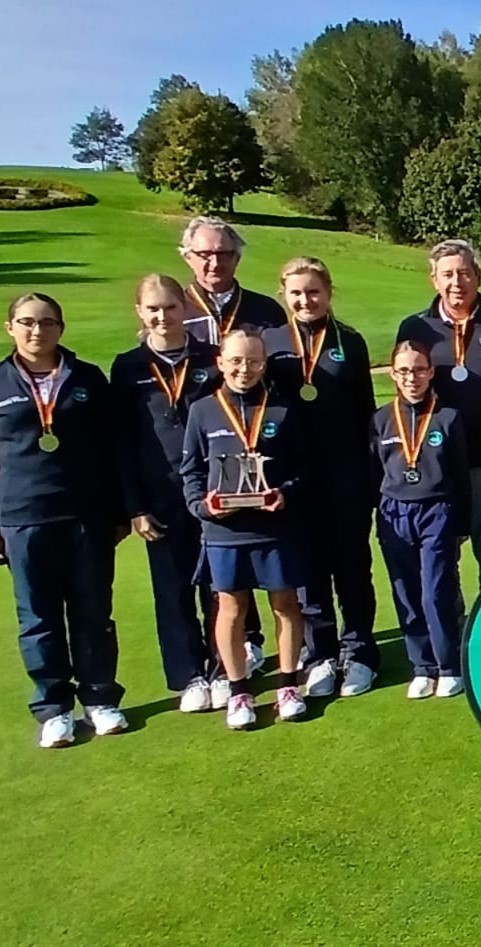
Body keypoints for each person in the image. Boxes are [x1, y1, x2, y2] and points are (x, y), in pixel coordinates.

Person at [0, 293, 127, 748]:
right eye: (28, 322)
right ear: (10, 327)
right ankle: (54, 708)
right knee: (38, 618)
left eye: (48, 322)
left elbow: (113, 451)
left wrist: (119, 510)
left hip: (85, 516)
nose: (38, 331)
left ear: (61, 328)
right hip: (22, 517)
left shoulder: (87, 378)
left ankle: (100, 699)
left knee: (93, 613)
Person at [180, 328, 311, 730]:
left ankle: (288, 686)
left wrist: (284, 494)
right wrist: (203, 506)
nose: (244, 369)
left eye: (253, 361)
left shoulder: (283, 410)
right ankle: (238, 691)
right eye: (235, 360)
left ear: (264, 363)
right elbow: (191, 472)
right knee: (231, 608)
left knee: (285, 604)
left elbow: (304, 470)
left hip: (275, 527)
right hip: (225, 531)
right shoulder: (202, 411)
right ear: (220, 363)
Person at [111, 275, 230, 712]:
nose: (163, 317)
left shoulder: (211, 358)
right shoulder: (127, 367)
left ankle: (224, 668)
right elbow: (122, 443)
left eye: (171, 307)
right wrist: (135, 507)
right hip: (159, 495)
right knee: (172, 588)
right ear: (140, 312)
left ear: (186, 309)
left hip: (214, 491)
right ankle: (189, 675)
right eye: (153, 309)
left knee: (221, 587)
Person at [263, 258, 379, 700]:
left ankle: (360, 652)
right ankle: (321, 655)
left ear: (328, 292)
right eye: (296, 293)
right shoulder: (271, 343)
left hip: (346, 477)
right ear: (283, 294)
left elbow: (366, 414)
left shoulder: (349, 342)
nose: (305, 300)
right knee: (309, 572)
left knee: (353, 568)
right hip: (293, 481)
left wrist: (369, 477)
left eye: (313, 291)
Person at [395, 239, 481, 580]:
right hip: (437, 465)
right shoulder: (415, 328)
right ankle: (449, 629)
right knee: (440, 557)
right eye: (448, 274)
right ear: (433, 279)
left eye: (465, 273)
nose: (457, 283)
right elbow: (406, 392)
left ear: (478, 277)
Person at [372, 341, 471, 700]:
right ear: (393, 375)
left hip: (437, 510)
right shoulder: (381, 419)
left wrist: (462, 523)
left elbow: (461, 475)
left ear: (431, 373)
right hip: (394, 511)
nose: (411, 378)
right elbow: (375, 472)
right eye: (404, 371)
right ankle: (422, 666)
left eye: (418, 370)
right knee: (407, 592)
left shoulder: (448, 418)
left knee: (436, 591)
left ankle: (447, 666)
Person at [177, 216, 286, 346]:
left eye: (223, 254)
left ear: (237, 258)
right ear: (188, 258)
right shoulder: (172, 311)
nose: (215, 264)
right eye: (205, 254)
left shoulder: (267, 310)